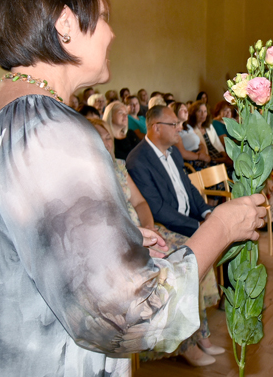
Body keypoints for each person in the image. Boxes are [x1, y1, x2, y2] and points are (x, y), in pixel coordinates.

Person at [0, 0, 266, 377]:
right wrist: (221, 228)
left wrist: (116, 242)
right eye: (104, 16)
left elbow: (10, 247)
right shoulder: (52, 128)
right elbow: (129, 316)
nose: (111, 32)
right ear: (66, 24)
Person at [88, 118, 223, 367]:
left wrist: (149, 227)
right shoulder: (86, 177)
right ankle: (185, 344)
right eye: (99, 138)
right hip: (122, 241)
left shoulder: (119, 167)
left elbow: (140, 203)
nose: (107, 143)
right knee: (174, 265)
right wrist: (137, 237)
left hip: (143, 229)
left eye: (108, 137)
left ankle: (201, 334)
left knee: (190, 251)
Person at [127, 105, 216, 237]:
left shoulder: (174, 152)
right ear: (157, 128)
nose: (179, 128)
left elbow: (189, 187)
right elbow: (157, 208)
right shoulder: (138, 161)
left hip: (192, 217)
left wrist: (206, 212)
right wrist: (197, 226)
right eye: (174, 124)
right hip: (172, 227)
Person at [171, 101, 211, 170]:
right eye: (182, 109)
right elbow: (182, 153)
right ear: (175, 112)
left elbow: (201, 144)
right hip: (190, 162)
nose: (186, 112)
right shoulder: (173, 130)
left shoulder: (188, 126)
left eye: (186, 109)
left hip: (199, 156)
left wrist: (203, 152)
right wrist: (200, 157)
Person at [188, 100, 227, 166]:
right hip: (206, 160)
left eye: (205, 111)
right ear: (193, 113)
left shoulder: (209, 126)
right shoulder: (190, 129)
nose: (203, 114)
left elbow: (217, 143)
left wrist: (225, 156)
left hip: (218, 156)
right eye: (199, 111)